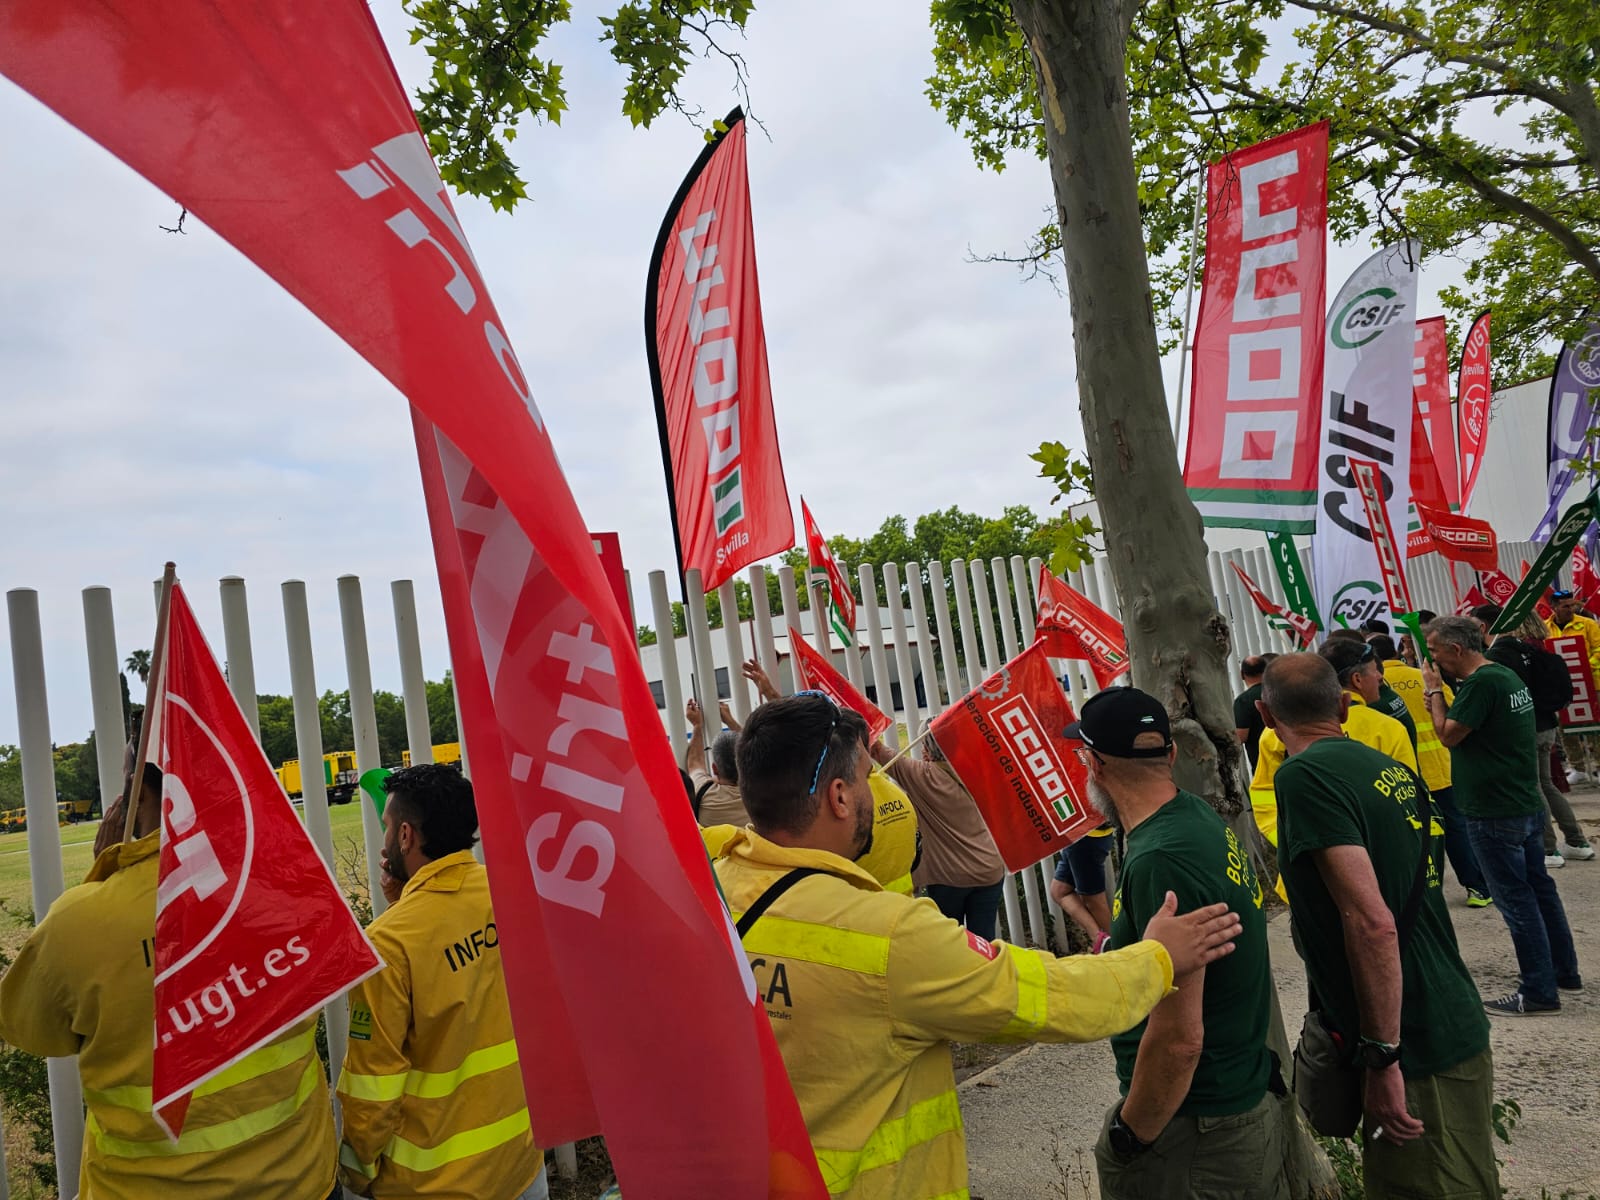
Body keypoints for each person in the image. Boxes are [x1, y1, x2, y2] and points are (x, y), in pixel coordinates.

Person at [717, 693, 1244, 1200]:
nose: (873, 794)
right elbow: (1048, 995)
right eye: (864, 780)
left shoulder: (710, 893)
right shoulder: (888, 936)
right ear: (838, 797)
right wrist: (1158, 957)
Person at [0, 757, 338, 1200]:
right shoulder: (286, 879)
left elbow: (34, 1031)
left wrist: (107, 877)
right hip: (298, 1179)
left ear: (138, 795)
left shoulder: (78, 922)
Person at [1261, 654, 1497, 1198]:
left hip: (1413, 1038)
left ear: (1267, 716)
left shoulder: (1303, 776)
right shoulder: (1389, 769)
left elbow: (1372, 924)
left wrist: (1384, 1056)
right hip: (1448, 1010)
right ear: (1345, 705)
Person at [1064, 688, 1284, 1200]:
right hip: (1225, 1106)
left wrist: (1131, 1133)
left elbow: (1181, 1040)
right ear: (1171, 754)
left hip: (1195, 1128)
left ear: (1093, 764)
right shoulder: (1192, 816)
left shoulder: (1161, 859)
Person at [338, 765, 543, 1198]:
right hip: (520, 1159)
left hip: (433, 1183)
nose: (385, 840)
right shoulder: (511, 893)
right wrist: (404, 901)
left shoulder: (390, 942)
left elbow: (373, 1085)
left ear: (406, 835)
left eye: (387, 827)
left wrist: (357, 1173)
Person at [1422, 617, 1583, 1015]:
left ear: (1456, 649)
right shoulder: (1503, 676)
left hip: (1493, 810)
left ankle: (1538, 991)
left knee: (1517, 900)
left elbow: (1448, 734)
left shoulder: (1481, 684)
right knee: (1539, 889)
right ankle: (1563, 971)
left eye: (1434, 651)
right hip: (1521, 801)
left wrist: (1435, 694)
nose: (1431, 660)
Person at [1249, 645, 1416, 899]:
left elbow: (1264, 797)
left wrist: (1300, 843)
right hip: (1387, 872)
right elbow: (1408, 802)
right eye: (1374, 670)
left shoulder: (1272, 738)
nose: (1380, 676)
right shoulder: (1389, 729)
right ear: (1344, 704)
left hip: (1306, 877)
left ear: (1266, 714)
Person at [1370, 633, 1490, 907]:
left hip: (1400, 775)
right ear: (1396, 649)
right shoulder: (1425, 677)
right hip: (1440, 766)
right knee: (1456, 830)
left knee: (1414, 835)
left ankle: (1422, 893)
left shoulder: (1372, 689)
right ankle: (1477, 887)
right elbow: (1455, 710)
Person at [870, 735, 1008, 941]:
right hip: (990, 869)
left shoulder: (924, 776)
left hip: (950, 877)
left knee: (949, 941)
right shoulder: (976, 770)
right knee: (984, 943)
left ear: (926, 750)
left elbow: (877, 750)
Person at [1499, 610, 1599, 865]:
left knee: (1535, 787)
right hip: (1548, 724)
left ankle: (1548, 849)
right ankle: (1577, 841)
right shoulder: (1543, 652)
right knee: (1547, 784)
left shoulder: (1515, 656)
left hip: (1529, 725)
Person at [684, 696, 748, 826]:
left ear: (715, 769)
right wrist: (730, 721)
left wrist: (697, 726)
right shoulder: (765, 792)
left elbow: (695, 762)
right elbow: (753, 750)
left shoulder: (706, 795)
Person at [1050, 828, 1115, 952]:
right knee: (1059, 890)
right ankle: (1101, 941)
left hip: (1084, 834)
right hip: (1080, 834)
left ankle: (1118, 949)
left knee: (1093, 901)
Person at [1234, 654, 1274, 771]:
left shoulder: (1243, 701)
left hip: (1263, 764)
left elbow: (1240, 737)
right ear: (1266, 671)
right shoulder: (1279, 690)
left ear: (1242, 674)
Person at [1546, 588, 1600, 676]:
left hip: (1590, 679)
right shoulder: (1545, 628)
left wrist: (1586, 667)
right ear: (1554, 608)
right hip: (1562, 679)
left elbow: (1598, 649)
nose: (1571, 610)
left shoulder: (1589, 624)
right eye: (1566, 607)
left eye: (1572, 605)